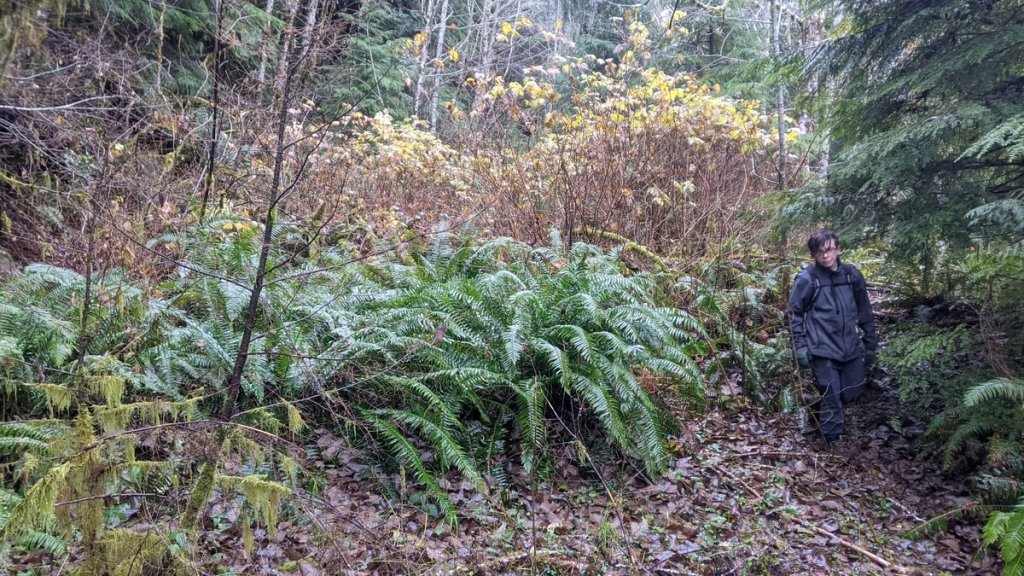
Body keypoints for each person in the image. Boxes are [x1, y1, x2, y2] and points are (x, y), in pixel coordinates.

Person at [788, 230, 878, 445]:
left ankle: (816, 408)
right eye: (819, 252)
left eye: (829, 250)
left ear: (838, 249)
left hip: (850, 348)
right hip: (821, 349)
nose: (825, 256)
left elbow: (864, 310)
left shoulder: (851, 276)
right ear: (813, 255)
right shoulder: (807, 280)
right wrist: (800, 347)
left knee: (851, 393)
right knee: (832, 398)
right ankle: (833, 446)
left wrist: (870, 344)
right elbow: (793, 314)